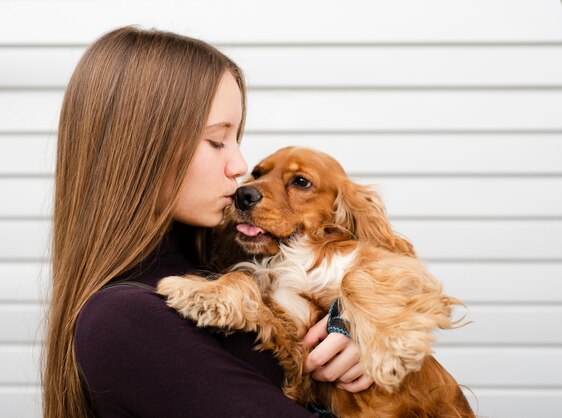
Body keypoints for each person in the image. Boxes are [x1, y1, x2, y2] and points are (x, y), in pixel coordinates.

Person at [42, 25, 373, 418]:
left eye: (236, 139)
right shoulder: (125, 319)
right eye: (217, 141)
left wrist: (354, 327)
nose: (239, 167)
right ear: (141, 147)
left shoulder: (231, 263)